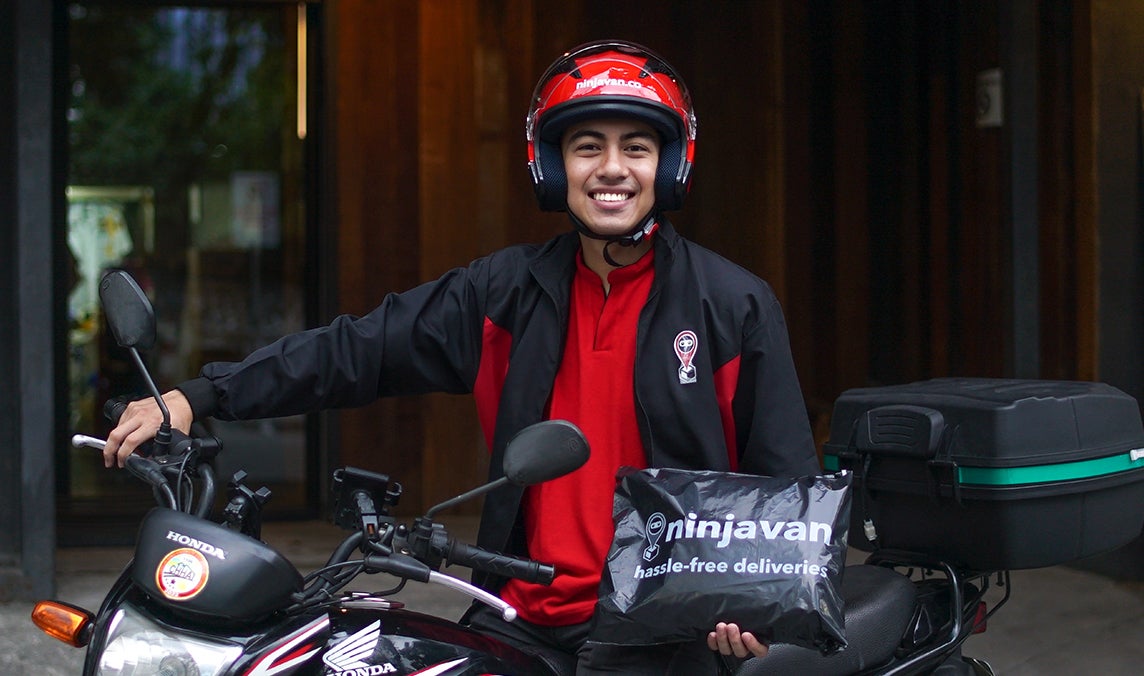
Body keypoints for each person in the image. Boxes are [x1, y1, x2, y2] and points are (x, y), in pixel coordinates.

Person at [104, 40, 821, 675]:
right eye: (586, 146)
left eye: (636, 146)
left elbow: (788, 486)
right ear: (551, 165)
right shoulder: (502, 293)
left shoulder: (731, 305)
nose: (612, 168)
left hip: (666, 635)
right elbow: (358, 347)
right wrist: (202, 396)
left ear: (669, 164)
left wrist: (756, 606)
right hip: (517, 617)